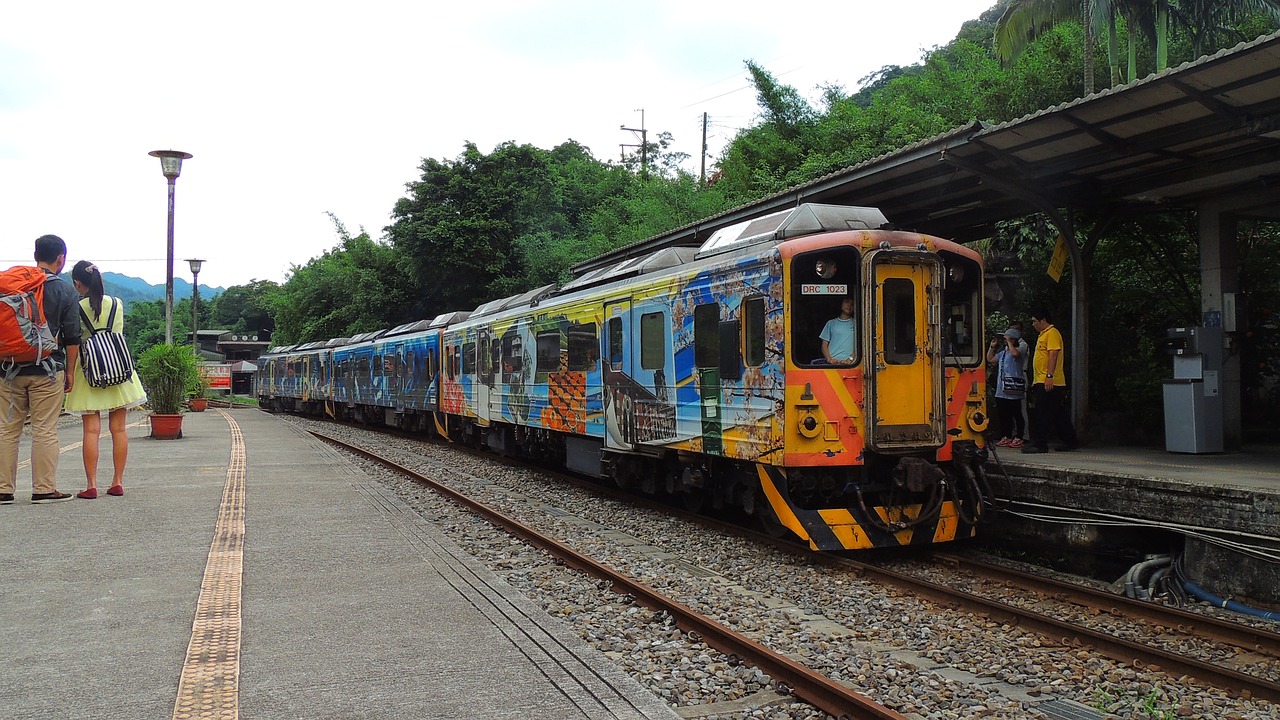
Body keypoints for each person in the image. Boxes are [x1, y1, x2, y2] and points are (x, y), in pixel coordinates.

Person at [0, 234, 82, 505]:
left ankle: (3, 489)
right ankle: (44, 489)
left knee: (7, 429)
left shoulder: (12, 285)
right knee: (44, 429)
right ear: (61, 259)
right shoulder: (64, 290)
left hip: (8, 369)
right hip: (48, 370)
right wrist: (69, 372)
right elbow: (72, 338)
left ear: (36, 255)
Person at [64, 261, 147, 499]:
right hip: (118, 370)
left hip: (89, 372)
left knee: (91, 430)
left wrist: (69, 372)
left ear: (78, 284)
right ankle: (117, 481)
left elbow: (73, 340)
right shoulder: (117, 304)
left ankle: (91, 485)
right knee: (119, 428)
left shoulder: (76, 308)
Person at [1022, 308, 1079, 453]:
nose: (1033, 324)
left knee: (1043, 412)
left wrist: (1049, 376)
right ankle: (1070, 440)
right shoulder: (1043, 335)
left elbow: (1053, 355)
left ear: (1043, 320)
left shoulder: (1052, 333)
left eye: (1035, 321)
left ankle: (1041, 444)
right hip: (1043, 380)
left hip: (1049, 381)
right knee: (1057, 413)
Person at [986, 327, 1027, 448]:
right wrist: (992, 347)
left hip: (1013, 387)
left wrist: (1010, 343)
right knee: (1004, 414)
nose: (1004, 341)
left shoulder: (1020, 349)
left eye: (1007, 338)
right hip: (1002, 388)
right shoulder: (1003, 353)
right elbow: (990, 359)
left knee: (1016, 413)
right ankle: (1006, 435)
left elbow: (1015, 354)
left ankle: (1019, 436)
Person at [820, 295, 857, 365]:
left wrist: (850, 359)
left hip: (851, 364)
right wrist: (829, 359)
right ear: (841, 304)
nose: (849, 305)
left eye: (852, 304)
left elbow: (861, 346)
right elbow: (824, 344)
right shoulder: (831, 323)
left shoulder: (857, 324)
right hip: (832, 363)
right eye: (847, 302)